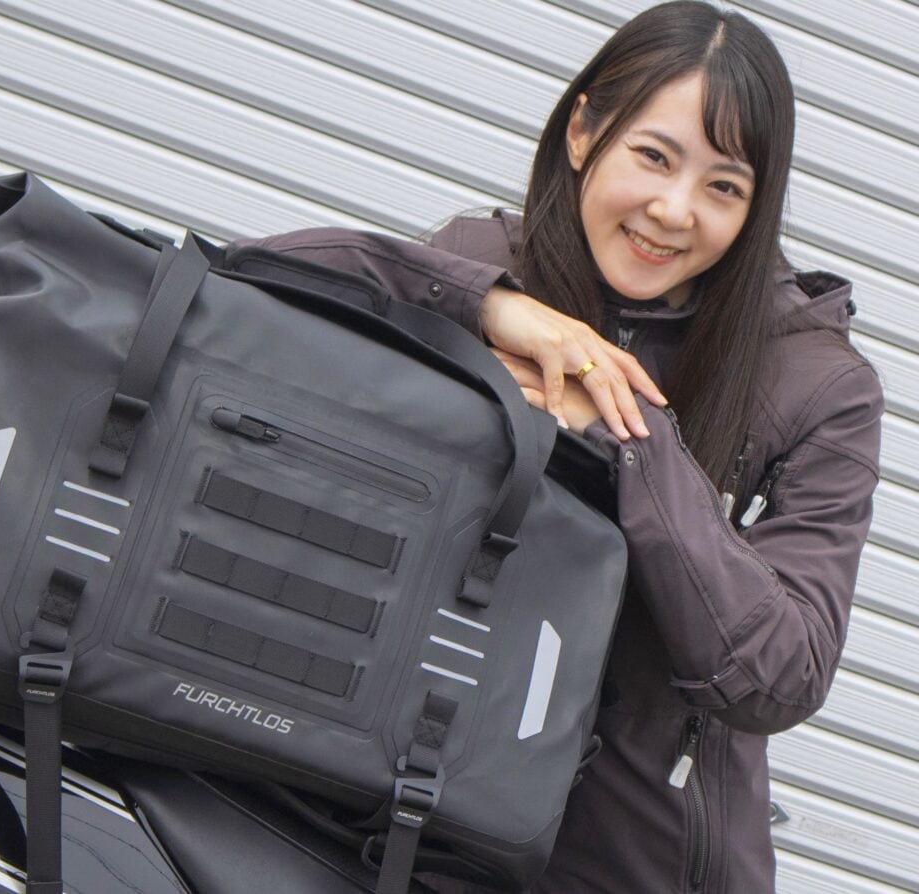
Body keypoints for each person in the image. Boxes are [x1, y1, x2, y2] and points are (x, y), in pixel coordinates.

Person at [225, 2, 883, 891]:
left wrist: (627, 433)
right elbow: (246, 285)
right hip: (414, 827)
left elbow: (782, 673)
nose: (673, 211)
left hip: (637, 862)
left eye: (724, 187)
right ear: (583, 132)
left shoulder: (814, 381)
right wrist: (487, 304)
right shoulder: (485, 261)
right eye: (654, 156)